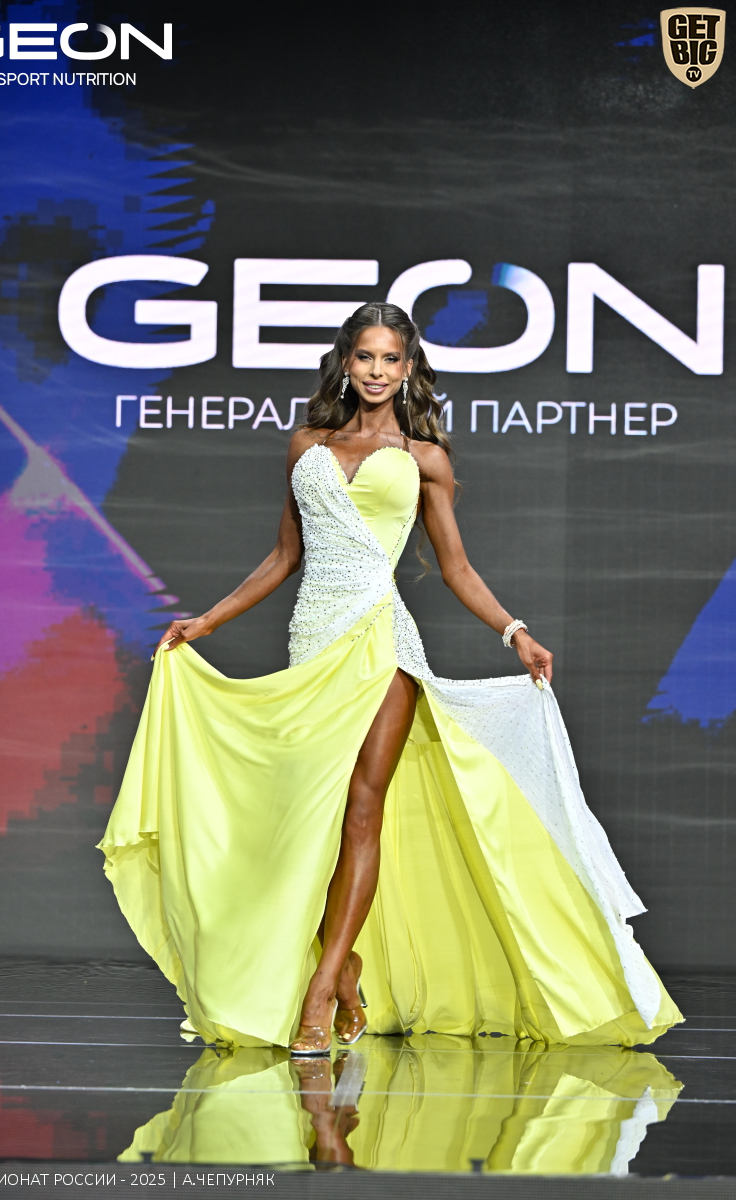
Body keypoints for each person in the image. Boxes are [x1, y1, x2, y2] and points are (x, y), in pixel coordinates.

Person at [99, 303, 681, 1056]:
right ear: (347, 362)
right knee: (305, 816)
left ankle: (321, 987)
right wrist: (206, 621)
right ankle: (346, 966)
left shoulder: (424, 457)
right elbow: (284, 557)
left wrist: (515, 632)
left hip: (384, 642)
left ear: (408, 370)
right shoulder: (306, 445)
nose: (377, 371)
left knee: (360, 811)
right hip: (313, 639)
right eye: (366, 356)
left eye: (391, 359)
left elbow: (456, 568)